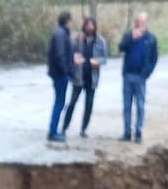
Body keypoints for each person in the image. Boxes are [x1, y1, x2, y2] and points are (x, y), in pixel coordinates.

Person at [62, 16, 109, 138]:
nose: (89, 27)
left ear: (94, 27)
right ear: (84, 26)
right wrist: (74, 58)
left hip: (92, 78)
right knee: (71, 103)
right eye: (87, 25)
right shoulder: (77, 39)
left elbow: (104, 59)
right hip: (79, 77)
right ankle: (64, 127)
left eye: (91, 25)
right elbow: (70, 53)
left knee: (88, 106)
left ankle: (83, 129)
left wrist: (96, 61)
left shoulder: (101, 41)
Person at [118, 11, 159, 143]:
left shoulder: (151, 39)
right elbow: (121, 48)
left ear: (146, 23)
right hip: (128, 75)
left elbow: (154, 58)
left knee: (140, 106)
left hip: (140, 77)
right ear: (136, 22)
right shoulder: (128, 35)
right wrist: (131, 39)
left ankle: (138, 132)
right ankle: (127, 132)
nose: (140, 23)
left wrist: (147, 73)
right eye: (138, 21)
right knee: (126, 106)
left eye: (143, 21)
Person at [46, 11, 74, 144]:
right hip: (59, 75)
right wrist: (66, 71)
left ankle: (54, 131)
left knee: (60, 102)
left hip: (58, 73)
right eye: (71, 21)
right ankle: (53, 132)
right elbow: (60, 55)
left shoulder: (60, 33)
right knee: (59, 103)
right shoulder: (61, 34)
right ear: (68, 21)